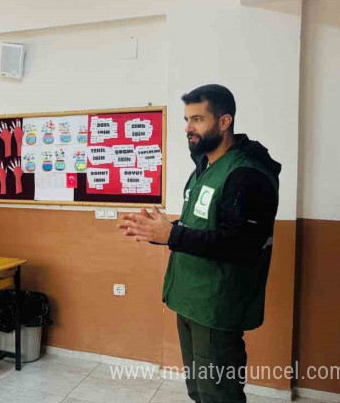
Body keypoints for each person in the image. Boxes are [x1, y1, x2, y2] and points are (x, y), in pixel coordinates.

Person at [119, 84, 280, 403]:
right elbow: (201, 227)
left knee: (219, 394)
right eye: (186, 119)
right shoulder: (204, 170)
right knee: (200, 392)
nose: (187, 128)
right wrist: (159, 232)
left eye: (197, 119)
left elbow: (241, 245)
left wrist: (172, 235)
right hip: (189, 299)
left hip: (216, 306)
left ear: (224, 122)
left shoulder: (247, 174)